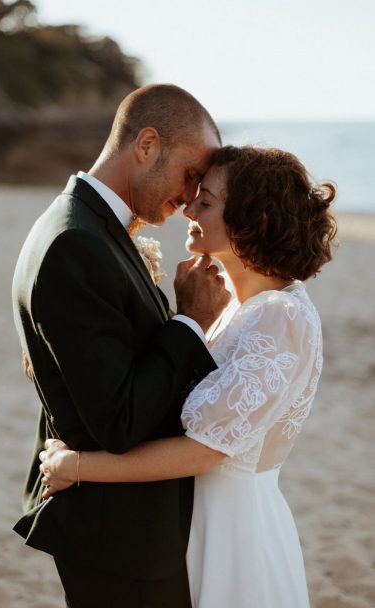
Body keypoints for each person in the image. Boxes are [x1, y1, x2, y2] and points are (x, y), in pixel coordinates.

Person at [39, 145, 338, 608]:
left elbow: (204, 452)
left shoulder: (281, 318)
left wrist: (76, 467)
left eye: (207, 201)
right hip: (189, 523)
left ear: (253, 219)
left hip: (232, 535)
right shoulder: (236, 308)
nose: (188, 210)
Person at [12, 83, 231, 608]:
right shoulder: (76, 242)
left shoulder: (89, 227)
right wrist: (189, 323)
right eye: (189, 176)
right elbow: (120, 420)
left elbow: (95, 368)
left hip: (123, 528)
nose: (187, 200)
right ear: (148, 144)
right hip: (120, 538)